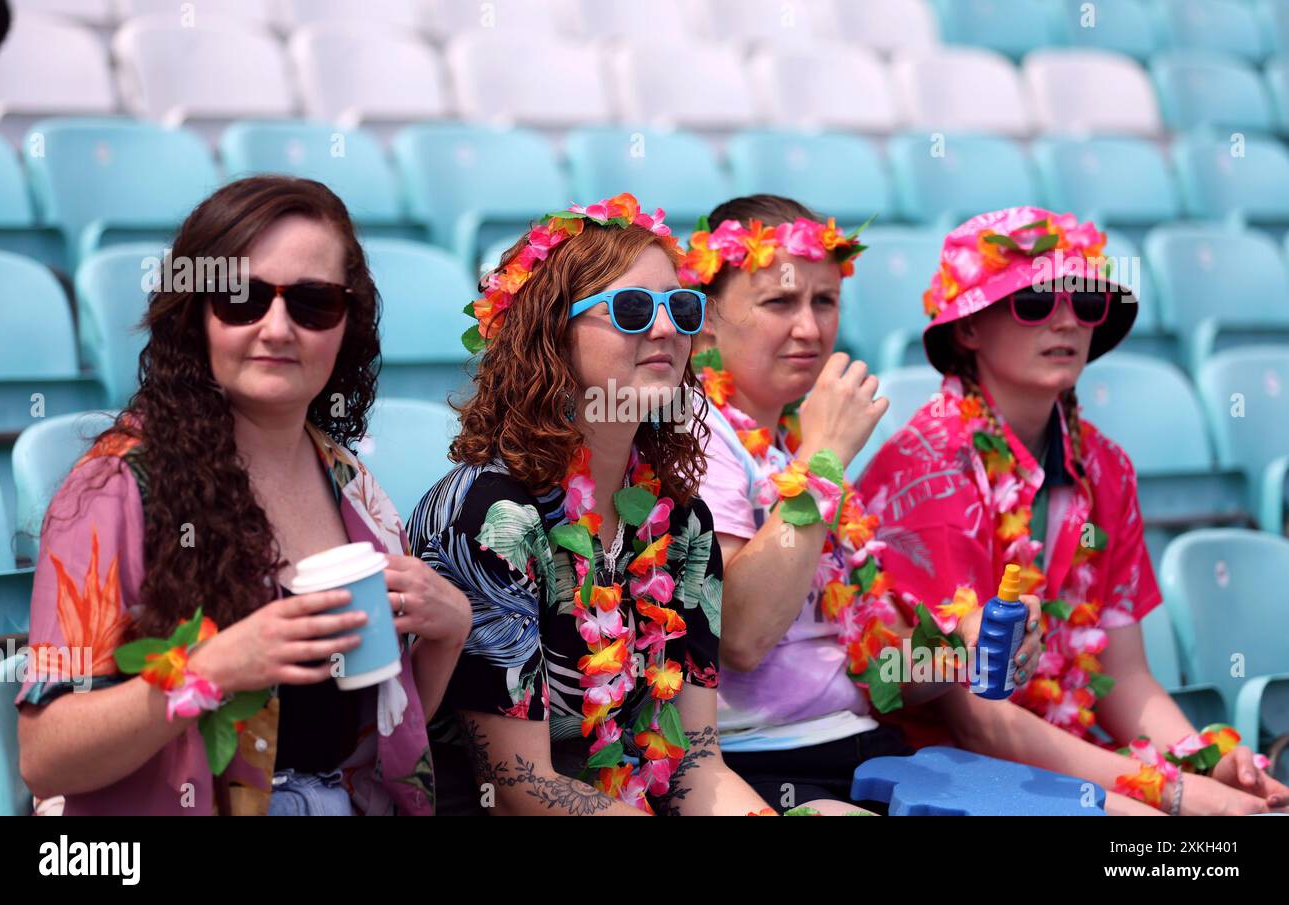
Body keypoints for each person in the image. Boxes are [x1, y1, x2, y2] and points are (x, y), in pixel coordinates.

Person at [17, 176, 470, 815]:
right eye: (242, 299)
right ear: (195, 314)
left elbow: (373, 734)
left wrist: (445, 639)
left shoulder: (351, 484)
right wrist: (208, 671)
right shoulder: (116, 487)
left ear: (347, 324)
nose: (277, 328)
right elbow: (46, 756)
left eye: (313, 304)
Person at [408, 193, 842, 815]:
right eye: (633, 309)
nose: (667, 327)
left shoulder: (683, 524)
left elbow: (694, 763)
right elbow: (517, 786)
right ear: (550, 334)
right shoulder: (492, 517)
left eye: (682, 306)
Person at [856, 206, 1289, 815]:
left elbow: (1127, 677)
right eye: (1033, 303)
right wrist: (1176, 792)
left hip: (1066, 755)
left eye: (1085, 302)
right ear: (969, 330)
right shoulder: (922, 474)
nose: (1065, 320)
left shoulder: (1106, 467)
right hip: (946, 768)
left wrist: (1208, 759)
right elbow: (977, 720)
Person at [683, 194, 1043, 810]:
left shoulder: (790, 444)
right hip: (760, 766)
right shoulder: (697, 428)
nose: (810, 328)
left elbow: (881, 679)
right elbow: (739, 633)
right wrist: (821, 465)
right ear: (708, 318)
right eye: (779, 301)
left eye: (825, 301)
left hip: (869, 748)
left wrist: (965, 650)